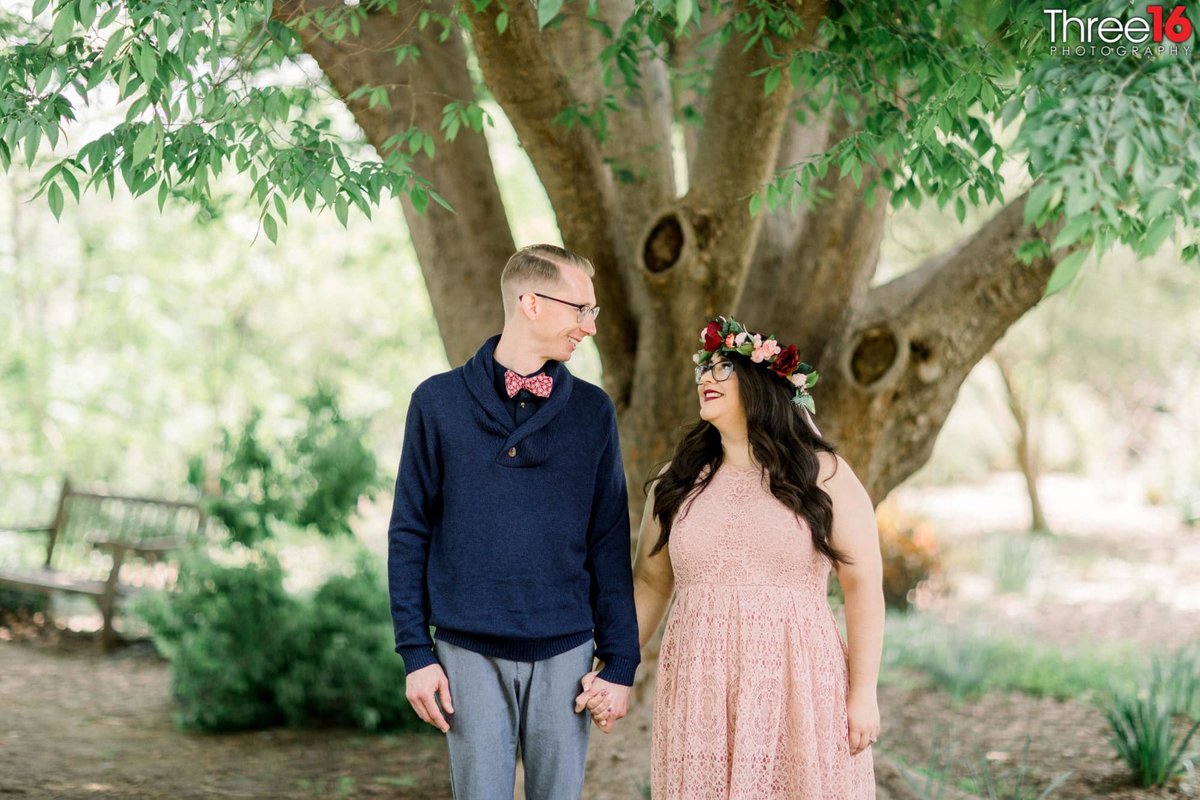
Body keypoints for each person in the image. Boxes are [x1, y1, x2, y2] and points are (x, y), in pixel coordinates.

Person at [580, 315, 883, 798]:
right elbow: (651, 584)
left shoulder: (824, 474)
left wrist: (863, 692)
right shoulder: (675, 482)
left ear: (763, 383)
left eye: (723, 368)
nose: (706, 377)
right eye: (704, 368)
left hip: (797, 676)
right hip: (701, 678)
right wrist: (616, 665)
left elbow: (863, 584)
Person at [387, 244, 640, 800]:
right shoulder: (437, 403)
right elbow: (408, 532)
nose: (590, 326)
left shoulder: (592, 412)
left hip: (567, 650)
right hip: (465, 650)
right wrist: (416, 653)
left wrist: (621, 661)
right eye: (582, 309)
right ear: (531, 302)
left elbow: (607, 540)